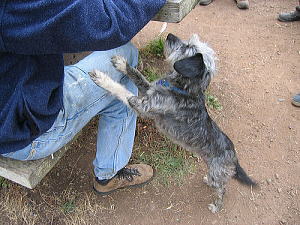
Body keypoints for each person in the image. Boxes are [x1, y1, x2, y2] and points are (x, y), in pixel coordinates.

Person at [0, 0, 166, 194]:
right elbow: (110, 21)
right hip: (15, 132)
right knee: (124, 55)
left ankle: (110, 161)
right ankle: (108, 174)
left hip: (11, 93)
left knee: (112, 81)